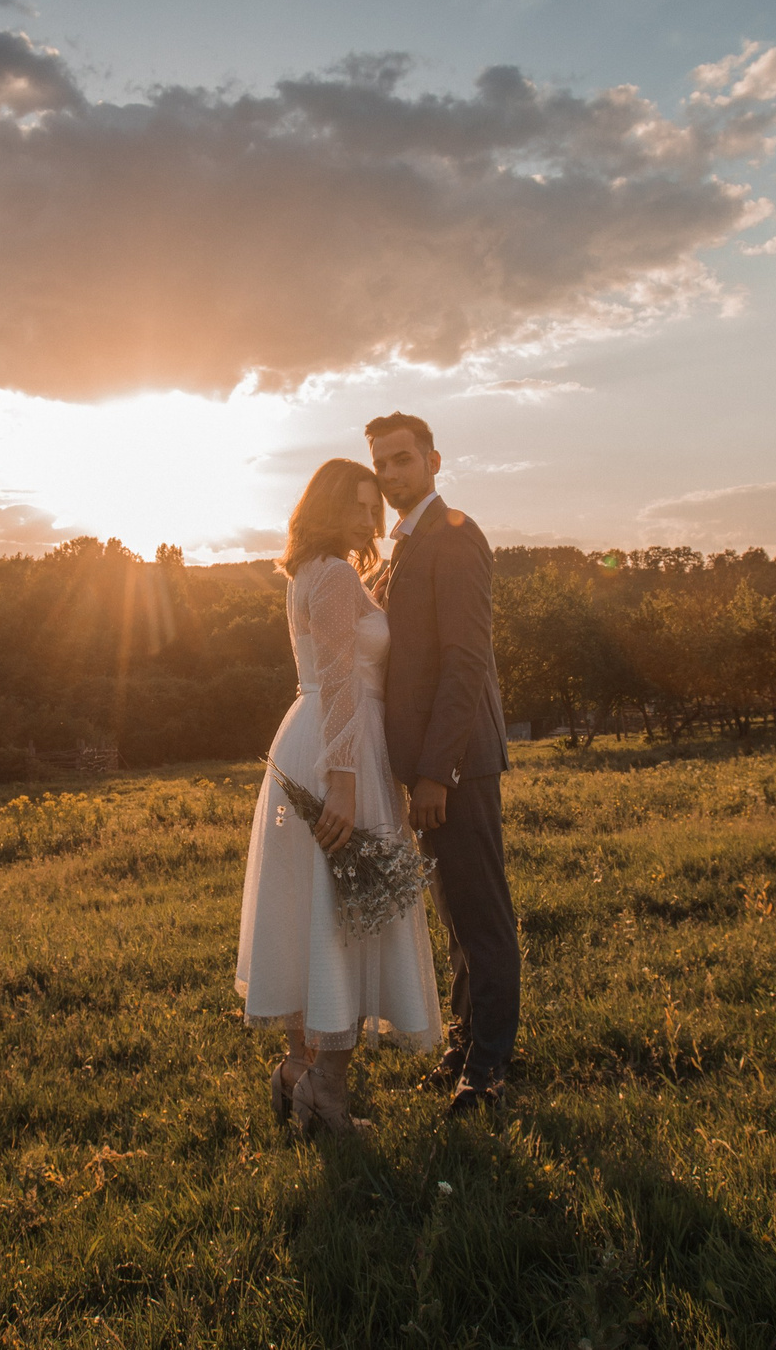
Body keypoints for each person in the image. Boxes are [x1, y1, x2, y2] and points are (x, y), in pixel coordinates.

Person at [235, 457, 442, 1135]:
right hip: (338, 748)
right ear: (326, 508)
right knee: (344, 917)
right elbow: (341, 679)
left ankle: (298, 1067)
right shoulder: (333, 574)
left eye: (371, 506)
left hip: (314, 738)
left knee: (314, 908)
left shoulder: (314, 573)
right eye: (355, 505)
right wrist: (345, 783)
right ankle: (325, 1092)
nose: (368, 517)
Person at [367, 411, 517, 1115]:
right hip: (430, 764)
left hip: (457, 763)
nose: (391, 474)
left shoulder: (454, 536)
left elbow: (464, 662)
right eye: (381, 464)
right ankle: (467, 1043)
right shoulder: (403, 543)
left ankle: (488, 1070)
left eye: (402, 459)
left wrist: (436, 772)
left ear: (433, 460)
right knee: (455, 915)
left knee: (480, 916)